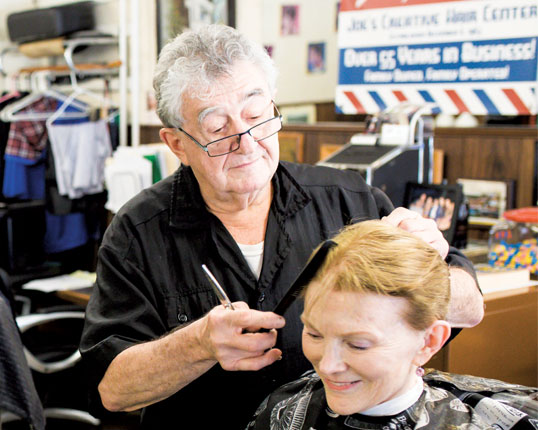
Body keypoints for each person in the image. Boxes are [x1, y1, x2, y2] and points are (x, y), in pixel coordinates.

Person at [79, 24, 484, 429]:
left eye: (257, 117)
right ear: (177, 144)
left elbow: (471, 307)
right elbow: (112, 391)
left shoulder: (347, 199)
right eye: (218, 130)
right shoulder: (138, 231)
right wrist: (198, 344)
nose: (247, 143)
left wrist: (423, 263)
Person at [246, 220, 537, 430]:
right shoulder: (281, 412)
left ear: (429, 341)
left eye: (357, 344)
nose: (328, 365)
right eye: (314, 333)